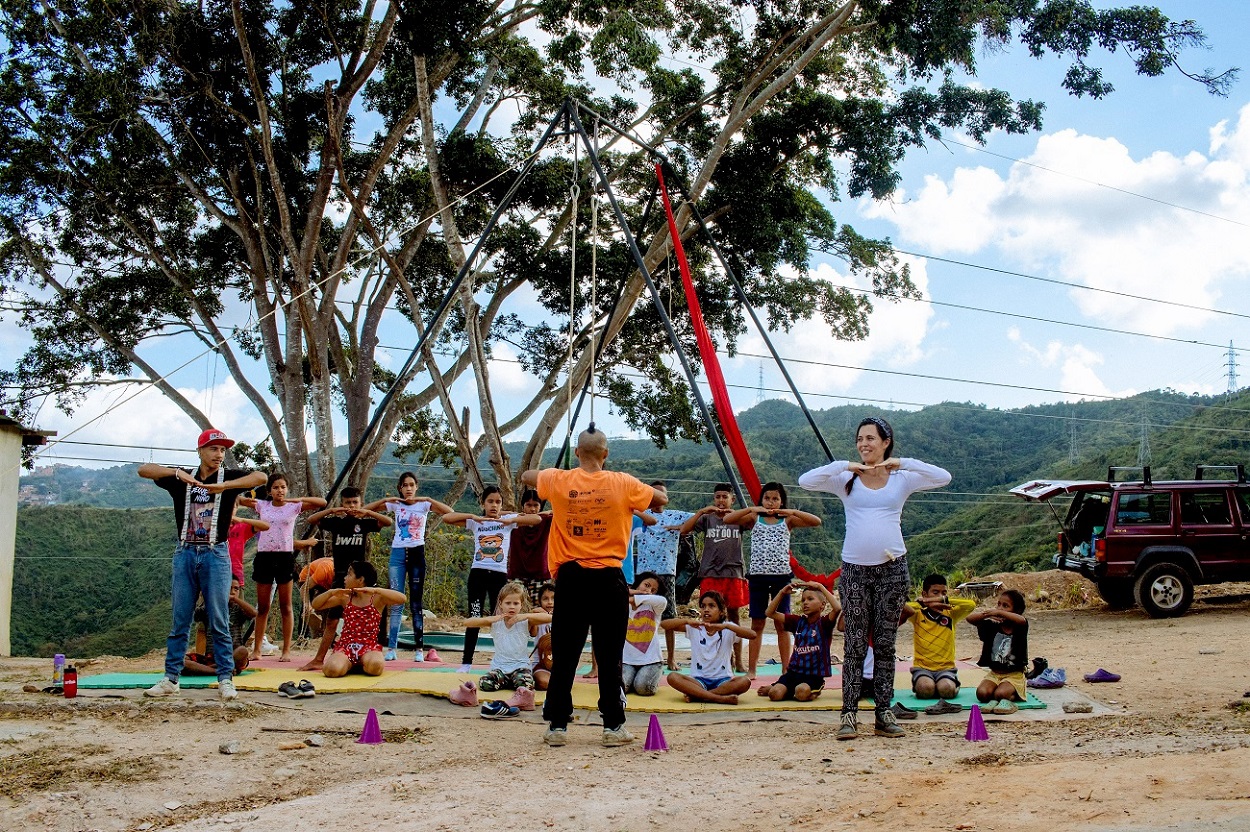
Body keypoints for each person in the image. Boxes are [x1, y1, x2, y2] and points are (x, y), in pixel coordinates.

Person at [798, 415, 951, 740]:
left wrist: (901, 462)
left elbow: (943, 477)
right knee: (854, 645)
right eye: (860, 439)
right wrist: (846, 465)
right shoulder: (845, 479)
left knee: (884, 645)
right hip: (854, 571)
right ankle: (849, 715)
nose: (864, 444)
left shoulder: (902, 478)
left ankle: (883, 712)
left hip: (893, 571)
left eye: (871, 438)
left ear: (885, 442)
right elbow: (805, 481)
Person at [521, 425, 667, 748]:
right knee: (610, 654)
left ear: (576, 453)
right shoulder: (622, 483)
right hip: (609, 580)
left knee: (566, 652)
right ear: (606, 454)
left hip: (571, 579)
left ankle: (557, 726)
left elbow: (527, 476)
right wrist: (634, 496)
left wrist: (551, 473)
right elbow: (661, 498)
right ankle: (613, 726)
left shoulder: (559, 480)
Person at [138, 428, 266, 700]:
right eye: (213, 449)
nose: (219, 454)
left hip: (215, 554)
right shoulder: (182, 479)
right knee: (180, 619)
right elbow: (144, 469)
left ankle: (225, 679)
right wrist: (176, 474)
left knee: (218, 619)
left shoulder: (228, 477)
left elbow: (261, 476)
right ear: (200, 451)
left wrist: (226, 487)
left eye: (222, 450)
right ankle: (171, 678)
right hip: (184, 552)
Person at [723, 482, 822, 678]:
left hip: (781, 578)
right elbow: (728, 518)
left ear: (781, 501)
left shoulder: (788, 520)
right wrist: (752, 508)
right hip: (758, 576)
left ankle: (786, 668)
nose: (770, 503)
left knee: (782, 624)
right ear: (761, 500)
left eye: (775, 499)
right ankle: (752, 669)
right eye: (767, 498)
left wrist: (791, 511)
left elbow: (816, 521)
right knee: (757, 623)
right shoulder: (754, 518)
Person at [443, 486, 541, 670]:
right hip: (478, 575)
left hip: (499, 576)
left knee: (502, 619)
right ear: (483, 503)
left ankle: (503, 662)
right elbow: (446, 518)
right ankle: (466, 663)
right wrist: (475, 517)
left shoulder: (507, 521)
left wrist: (510, 518)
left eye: (498, 502)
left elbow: (535, 519)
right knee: (475, 617)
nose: (494, 505)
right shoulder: (476, 522)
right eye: (490, 501)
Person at [237, 472, 326, 662]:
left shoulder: (293, 507)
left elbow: (321, 502)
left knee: (286, 606)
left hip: (285, 557)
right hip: (264, 557)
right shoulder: (262, 506)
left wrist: (295, 499)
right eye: (276, 487)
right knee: (263, 607)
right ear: (269, 490)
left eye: (283, 487)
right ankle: (257, 649)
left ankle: (286, 650)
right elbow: (239, 500)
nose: (280, 490)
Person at [301, 487, 392, 670]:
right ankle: (319, 658)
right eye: (348, 503)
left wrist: (366, 512)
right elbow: (312, 519)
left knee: (374, 613)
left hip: (362, 578)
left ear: (360, 503)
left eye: (355, 502)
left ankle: (372, 651)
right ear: (342, 504)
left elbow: (388, 521)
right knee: (332, 620)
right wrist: (333, 511)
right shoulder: (336, 522)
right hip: (341, 576)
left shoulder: (364, 523)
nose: (351, 506)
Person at [365, 472, 452, 662]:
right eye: (405, 485)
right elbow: (365, 509)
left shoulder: (424, 504)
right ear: (400, 488)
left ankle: (419, 650)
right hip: (397, 553)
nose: (409, 488)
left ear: (417, 486)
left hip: (416, 554)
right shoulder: (396, 504)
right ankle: (392, 648)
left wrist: (428, 499)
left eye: (412, 485)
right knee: (396, 601)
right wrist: (387, 499)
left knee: (416, 603)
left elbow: (450, 512)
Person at [679, 483, 750, 673]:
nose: (720, 500)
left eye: (724, 496)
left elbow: (755, 520)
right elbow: (684, 530)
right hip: (710, 573)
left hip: (733, 573)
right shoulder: (707, 519)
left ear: (731, 499)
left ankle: (738, 660)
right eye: (717, 496)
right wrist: (701, 511)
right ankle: (715, 659)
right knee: (709, 616)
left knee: (733, 617)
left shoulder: (739, 519)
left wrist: (739, 511)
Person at [635, 482, 693, 671]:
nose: (658, 497)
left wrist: (680, 527)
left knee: (669, 617)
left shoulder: (675, 515)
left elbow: (697, 520)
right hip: (644, 572)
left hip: (666, 571)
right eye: (654, 494)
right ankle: (641, 657)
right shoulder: (640, 515)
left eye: (662, 494)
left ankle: (671, 658)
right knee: (641, 617)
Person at [661, 589, 756, 704]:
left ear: (721, 611)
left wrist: (726, 626)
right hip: (697, 680)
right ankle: (718, 698)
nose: (706, 609)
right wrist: (687, 620)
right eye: (703, 606)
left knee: (744, 682)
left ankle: (699, 696)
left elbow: (753, 635)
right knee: (672, 677)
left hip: (723, 680)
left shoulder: (728, 628)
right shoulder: (695, 627)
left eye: (711, 606)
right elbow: (664, 625)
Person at [312, 561, 406, 677]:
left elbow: (402, 599)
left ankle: (360, 663)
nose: (345, 578)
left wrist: (376, 590)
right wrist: (331, 592)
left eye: (349, 574)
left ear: (360, 580)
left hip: (369, 647)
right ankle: (349, 663)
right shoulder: (345, 598)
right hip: (346, 647)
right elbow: (316, 605)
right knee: (331, 670)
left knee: (376, 666)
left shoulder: (377, 598)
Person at [901, 573, 976, 715]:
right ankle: (925, 685)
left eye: (943, 593)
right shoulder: (918, 614)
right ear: (925, 593)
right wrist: (923, 603)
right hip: (922, 668)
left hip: (946, 668)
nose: (939, 596)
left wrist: (942, 600)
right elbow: (903, 606)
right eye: (935, 592)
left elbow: (970, 605)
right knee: (925, 689)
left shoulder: (951, 614)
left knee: (946, 690)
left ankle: (953, 685)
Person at [757, 581, 840, 701]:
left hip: (813, 676)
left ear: (822, 605)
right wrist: (782, 593)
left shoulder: (824, 623)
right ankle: (780, 687)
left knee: (801, 693)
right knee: (774, 694)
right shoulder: (797, 622)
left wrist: (820, 587)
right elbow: (769, 613)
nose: (805, 603)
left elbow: (837, 608)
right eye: (803, 600)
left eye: (810, 599)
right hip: (793, 673)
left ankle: (812, 691)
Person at [462, 580, 551, 692]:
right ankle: (507, 682)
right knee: (485, 684)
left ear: (521, 605)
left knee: (526, 685)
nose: (512, 607)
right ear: (501, 604)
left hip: (520, 668)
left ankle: (513, 682)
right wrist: (490, 619)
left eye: (516, 603)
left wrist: (525, 615)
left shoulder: (525, 622)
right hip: (499, 669)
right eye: (508, 603)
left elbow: (549, 618)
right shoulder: (495, 622)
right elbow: (467, 623)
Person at [967, 589, 1029, 715]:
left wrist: (1000, 612)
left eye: (1005, 606)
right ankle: (996, 698)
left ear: (1016, 611)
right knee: (982, 693)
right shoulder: (992, 626)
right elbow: (970, 618)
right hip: (994, 674)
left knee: (1002, 693)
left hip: (1013, 675)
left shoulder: (1019, 627)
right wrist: (989, 614)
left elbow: (1022, 620)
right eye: (999, 604)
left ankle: (1010, 699)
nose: (1000, 609)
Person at [183, 578, 256, 677]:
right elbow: (193, 614)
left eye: (236, 589)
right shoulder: (209, 608)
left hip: (233, 655)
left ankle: (210, 669)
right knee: (181, 661)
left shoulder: (239, 609)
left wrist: (235, 599)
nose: (232, 592)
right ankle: (217, 670)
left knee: (242, 651)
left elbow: (254, 613)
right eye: (229, 588)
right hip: (211, 658)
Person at [621, 572, 667, 696]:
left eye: (653, 590)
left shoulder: (654, 608)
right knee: (621, 686)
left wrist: (633, 597)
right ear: (637, 584)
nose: (648, 591)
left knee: (642, 687)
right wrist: (632, 594)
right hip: (626, 661)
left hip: (651, 662)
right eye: (646, 585)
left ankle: (654, 674)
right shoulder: (623, 606)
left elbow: (662, 601)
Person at [507, 489, 553, 606]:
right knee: (516, 610)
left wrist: (541, 515)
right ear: (522, 506)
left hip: (540, 575)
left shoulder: (546, 521)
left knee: (540, 610)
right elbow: (496, 515)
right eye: (528, 505)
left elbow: (560, 511)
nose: (532, 509)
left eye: (536, 505)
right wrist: (518, 516)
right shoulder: (514, 522)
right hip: (517, 575)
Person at [531, 583, 556, 691]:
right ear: (539, 602)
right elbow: (533, 633)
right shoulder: (538, 618)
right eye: (545, 599)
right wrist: (533, 614)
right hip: (541, 665)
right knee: (544, 683)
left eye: (553, 598)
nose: (550, 602)